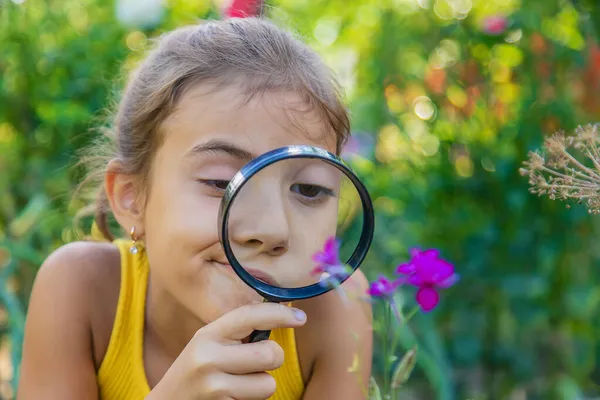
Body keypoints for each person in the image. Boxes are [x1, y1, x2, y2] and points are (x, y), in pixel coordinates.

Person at [17, 17, 372, 400]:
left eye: (309, 189)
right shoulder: (80, 289)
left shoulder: (336, 309)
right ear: (132, 197)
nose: (272, 229)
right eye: (221, 183)